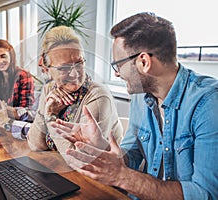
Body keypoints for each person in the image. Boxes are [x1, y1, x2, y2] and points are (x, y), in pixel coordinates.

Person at [51, 12, 218, 199]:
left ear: (144, 62)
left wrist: (122, 177)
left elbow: (206, 194)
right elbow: (130, 158)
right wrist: (100, 144)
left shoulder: (209, 104)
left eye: (118, 65)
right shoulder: (141, 95)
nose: (116, 74)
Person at [27, 25, 123, 155]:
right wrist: (45, 110)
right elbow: (35, 145)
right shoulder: (49, 89)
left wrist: (51, 117)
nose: (74, 74)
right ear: (47, 69)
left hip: (96, 172)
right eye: (63, 68)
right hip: (57, 166)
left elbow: (80, 158)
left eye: (79, 63)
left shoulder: (98, 96)